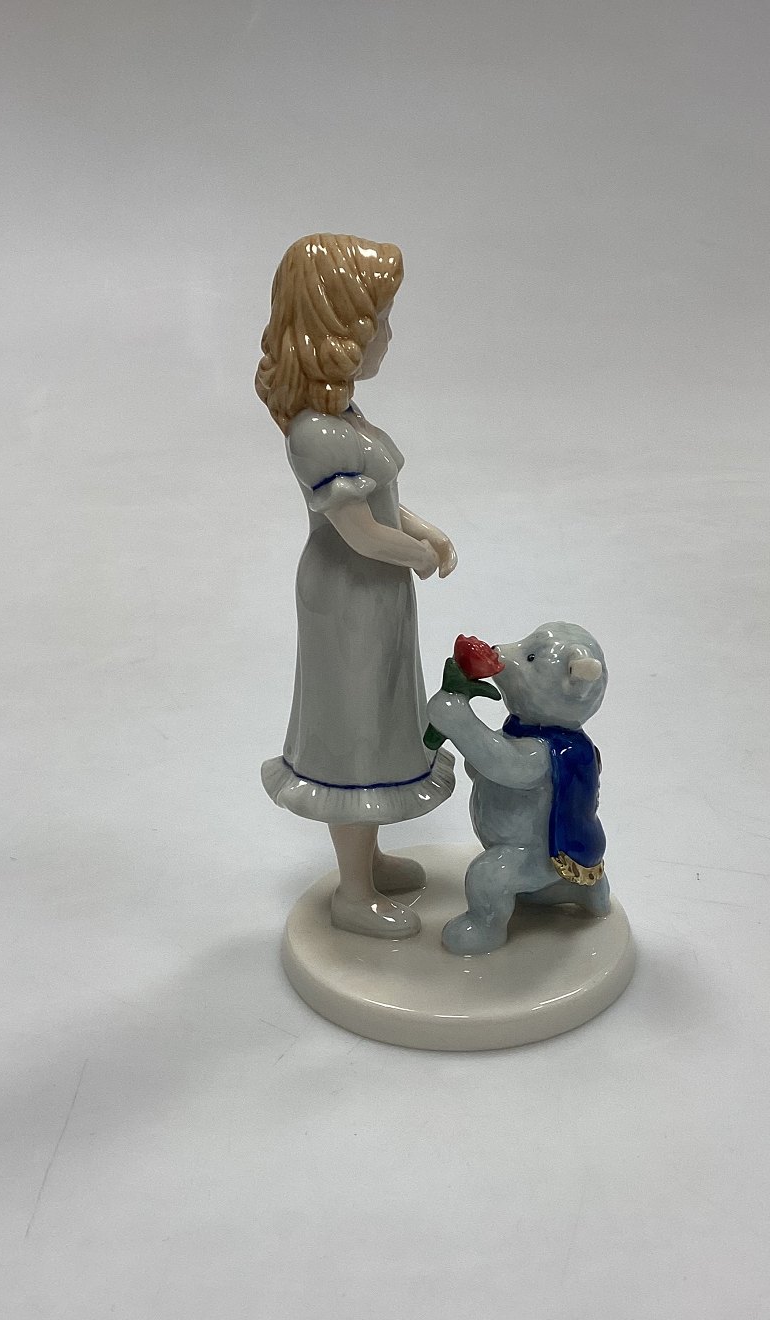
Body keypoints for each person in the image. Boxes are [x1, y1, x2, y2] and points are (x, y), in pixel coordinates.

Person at [256, 234, 457, 938]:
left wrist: (424, 531)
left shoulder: (345, 419)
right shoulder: (316, 434)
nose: (389, 336)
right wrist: (417, 553)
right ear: (339, 331)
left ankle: (367, 862)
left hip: (375, 593)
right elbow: (361, 533)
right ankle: (352, 892)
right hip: (348, 595)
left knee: (376, 722)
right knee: (351, 731)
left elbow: (383, 508)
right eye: (380, 321)